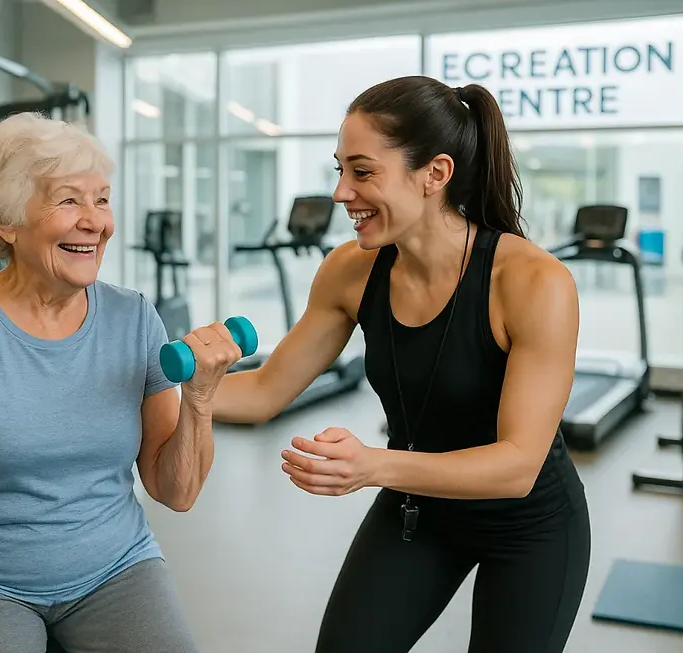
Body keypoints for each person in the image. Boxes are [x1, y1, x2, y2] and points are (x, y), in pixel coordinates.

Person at [212, 76, 592, 653]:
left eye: (362, 172)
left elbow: (517, 465)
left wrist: (371, 465)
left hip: (529, 527)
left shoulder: (532, 282)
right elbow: (264, 389)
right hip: (421, 511)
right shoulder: (351, 270)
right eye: (339, 169)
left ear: (435, 175)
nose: (342, 193)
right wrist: (161, 390)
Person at [0, 112, 242, 653]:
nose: (96, 221)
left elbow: (176, 492)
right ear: (7, 221)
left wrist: (201, 398)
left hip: (114, 567)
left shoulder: (135, 317)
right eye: (69, 200)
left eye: (102, 199)